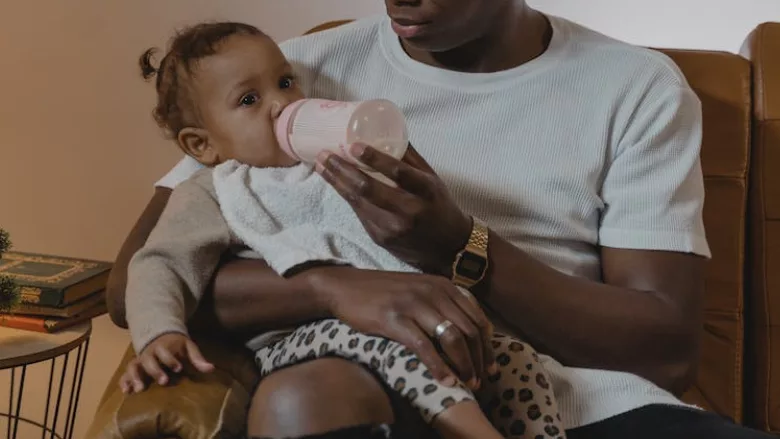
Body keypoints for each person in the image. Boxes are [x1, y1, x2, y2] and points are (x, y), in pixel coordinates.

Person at [107, 1, 776, 438]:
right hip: (370, 382)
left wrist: (459, 245)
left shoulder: (634, 88)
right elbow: (137, 275)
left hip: (574, 396)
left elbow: (667, 348)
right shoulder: (293, 70)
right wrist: (331, 287)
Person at [120, 21, 566, 439]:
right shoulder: (216, 190)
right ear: (203, 144)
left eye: (285, 81)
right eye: (248, 100)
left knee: (516, 361)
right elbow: (161, 262)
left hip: (409, 318)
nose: (281, 103)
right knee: (401, 345)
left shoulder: (336, 161)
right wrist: (159, 332)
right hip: (308, 338)